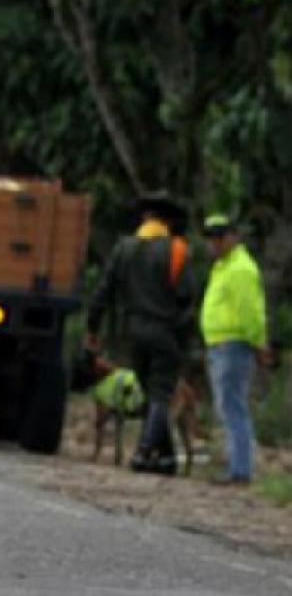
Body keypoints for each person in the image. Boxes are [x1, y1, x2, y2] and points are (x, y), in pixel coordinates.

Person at [86, 192, 195, 476]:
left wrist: (92, 328)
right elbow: (187, 299)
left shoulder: (124, 248)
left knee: (149, 391)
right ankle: (144, 450)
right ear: (168, 221)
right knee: (160, 391)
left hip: (132, 332)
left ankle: (166, 458)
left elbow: (104, 291)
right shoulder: (177, 250)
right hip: (164, 330)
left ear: (145, 218)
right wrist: (181, 335)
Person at [200, 214, 273, 486]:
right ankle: (236, 466)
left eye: (219, 237)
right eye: (210, 238)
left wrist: (258, 342)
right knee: (228, 407)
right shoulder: (223, 267)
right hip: (221, 343)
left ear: (233, 236)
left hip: (233, 344)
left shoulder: (240, 269)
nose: (214, 243)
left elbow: (251, 312)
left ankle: (240, 470)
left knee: (233, 407)